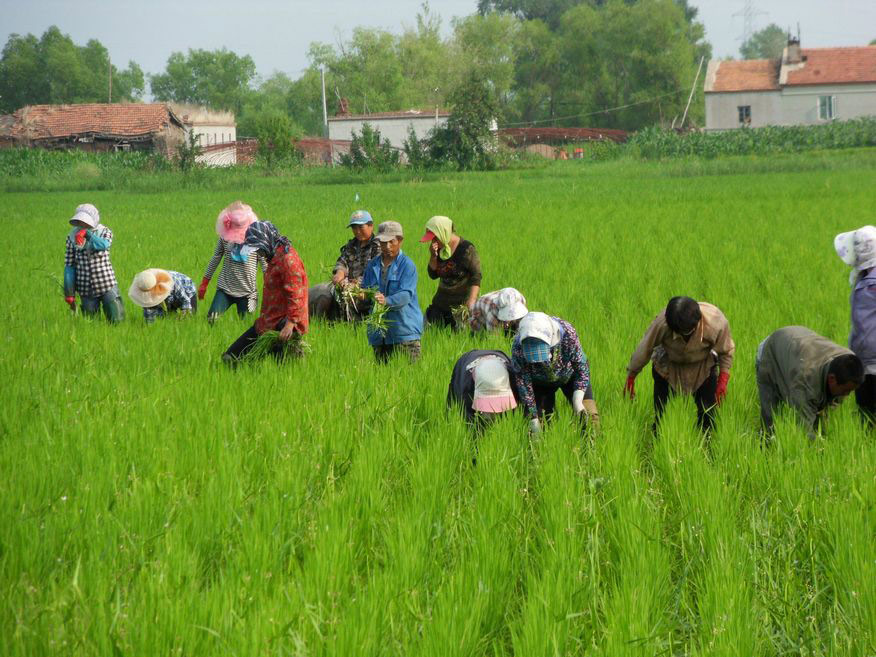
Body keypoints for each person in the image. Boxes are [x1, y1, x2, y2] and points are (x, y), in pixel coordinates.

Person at [625, 296, 735, 432]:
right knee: (662, 414)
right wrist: (632, 375)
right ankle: (659, 436)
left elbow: (726, 351)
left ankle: (707, 440)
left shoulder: (715, 322)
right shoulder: (662, 323)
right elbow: (644, 348)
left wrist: (723, 379)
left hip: (703, 367)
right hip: (667, 367)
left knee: (708, 413)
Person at [222, 221, 309, 364]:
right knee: (231, 358)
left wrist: (290, 323)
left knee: (283, 370)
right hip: (268, 321)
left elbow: (296, 293)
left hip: (283, 326)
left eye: (258, 247)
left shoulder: (288, 260)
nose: (258, 252)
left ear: (266, 239)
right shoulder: (274, 256)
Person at [756, 326, 863, 436]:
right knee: (770, 421)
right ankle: (765, 445)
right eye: (845, 391)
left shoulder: (850, 363)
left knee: (818, 422)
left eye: (850, 391)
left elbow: (826, 406)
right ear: (832, 380)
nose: (847, 395)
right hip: (771, 350)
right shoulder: (805, 381)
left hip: (799, 343)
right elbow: (804, 431)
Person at [510, 312, 600, 435]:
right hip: (539, 382)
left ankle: (592, 450)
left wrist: (577, 401)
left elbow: (582, 369)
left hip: (570, 375)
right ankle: (542, 451)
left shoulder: (568, 333)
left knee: (590, 417)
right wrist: (533, 418)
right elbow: (523, 383)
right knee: (540, 426)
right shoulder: (517, 346)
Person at [361, 221, 423, 363]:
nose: (387, 247)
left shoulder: (407, 266)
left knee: (409, 377)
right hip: (379, 334)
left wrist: (386, 301)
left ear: (400, 241)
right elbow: (366, 290)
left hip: (404, 332)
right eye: (383, 243)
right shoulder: (372, 265)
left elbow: (405, 295)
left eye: (391, 242)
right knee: (382, 378)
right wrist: (362, 295)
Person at [198, 201, 267, 323]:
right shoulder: (225, 237)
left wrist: (271, 289)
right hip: (225, 288)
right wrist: (204, 282)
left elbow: (265, 264)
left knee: (244, 327)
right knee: (211, 320)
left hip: (248, 292)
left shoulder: (255, 240)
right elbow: (216, 258)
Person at [834, 226, 876, 424]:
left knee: (869, 417)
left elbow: (865, 331)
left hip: (871, 366)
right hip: (866, 364)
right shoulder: (866, 279)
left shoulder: (870, 283)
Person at [309, 209, 381, 321]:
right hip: (346, 284)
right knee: (323, 292)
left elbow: (376, 272)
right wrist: (339, 273)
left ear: (371, 226)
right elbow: (342, 261)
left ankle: (349, 327)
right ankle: (318, 323)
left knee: (350, 300)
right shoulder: (351, 245)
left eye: (361, 227)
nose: (357, 231)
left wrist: (356, 284)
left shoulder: (378, 247)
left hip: (365, 288)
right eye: (354, 228)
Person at [63, 203, 124, 322]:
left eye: (85, 222)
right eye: (80, 221)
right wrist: (69, 292)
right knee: (91, 322)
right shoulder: (71, 237)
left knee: (116, 319)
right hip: (85, 287)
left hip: (106, 283)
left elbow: (104, 245)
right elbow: (69, 265)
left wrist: (88, 234)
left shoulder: (104, 232)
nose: (83, 225)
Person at [420, 215, 482, 328]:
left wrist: (472, 300)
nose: (433, 242)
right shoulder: (439, 248)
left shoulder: (466, 249)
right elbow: (433, 274)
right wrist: (433, 256)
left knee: (459, 338)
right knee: (429, 332)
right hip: (441, 303)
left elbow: (476, 276)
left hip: (461, 306)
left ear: (443, 232)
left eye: (435, 238)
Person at [447, 350, 518, 429]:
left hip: (500, 360)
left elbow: (518, 407)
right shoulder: (465, 384)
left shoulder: (512, 374)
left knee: (505, 415)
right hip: (466, 365)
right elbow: (466, 416)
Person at [128, 269, 197, 323]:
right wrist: (149, 327)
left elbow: (185, 300)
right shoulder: (144, 284)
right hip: (171, 295)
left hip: (187, 289)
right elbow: (149, 313)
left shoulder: (173, 284)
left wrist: (183, 315)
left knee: (189, 317)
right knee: (164, 317)